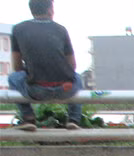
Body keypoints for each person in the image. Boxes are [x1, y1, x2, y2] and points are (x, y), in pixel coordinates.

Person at [9, 0, 83, 131]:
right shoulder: (61, 29)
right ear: (50, 10)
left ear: (32, 10)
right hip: (66, 88)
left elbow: (17, 66)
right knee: (77, 77)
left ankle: (28, 118)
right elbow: (72, 65)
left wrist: (30, 73)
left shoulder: (18, 29)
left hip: (36, 90)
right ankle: (74, 119)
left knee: (13, 77)